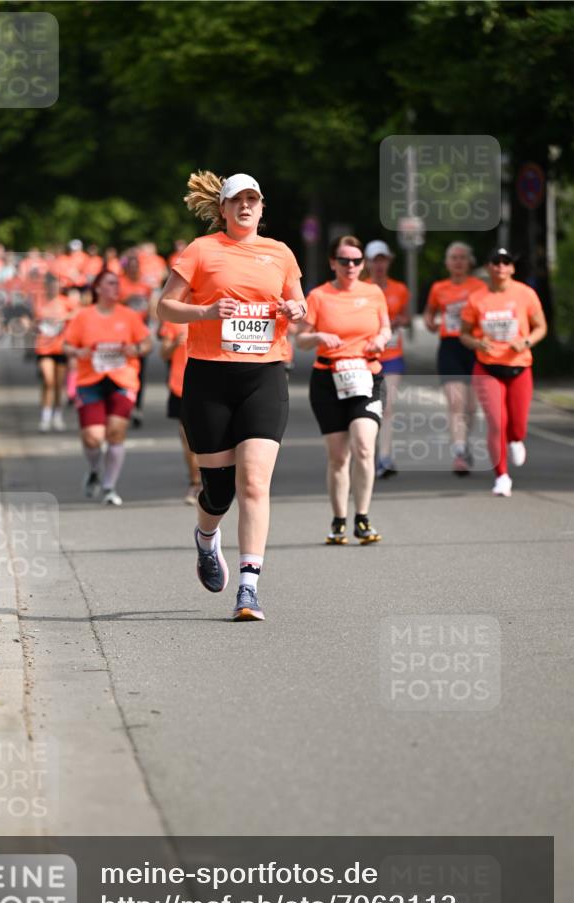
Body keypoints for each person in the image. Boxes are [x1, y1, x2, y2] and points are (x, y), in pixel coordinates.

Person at [157, 171, 306, 621]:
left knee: (256, 482)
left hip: (264, 377)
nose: (245, 206)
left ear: (262, 208)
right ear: (222, 209)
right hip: (209, 379)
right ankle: (206, 538)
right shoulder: (202, 251)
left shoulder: (280, 253)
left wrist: (296, 308)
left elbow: (299, 302)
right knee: (218, 493)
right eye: (236, 200)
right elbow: (164, 306)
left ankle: (249, 588)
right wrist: (205, 310)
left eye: (252, 199)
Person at [296, 236, 390, 545]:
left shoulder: (373, 292)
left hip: (367, 376)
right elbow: (301, 340)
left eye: (357, 261)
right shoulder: (319, 296)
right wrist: (320, 335)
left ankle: (362, 518)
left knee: (363, 446)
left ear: (363, 264)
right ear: (333, 263)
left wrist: (381, 340)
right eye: (345, 260)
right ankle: (338, 520)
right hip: (328, 378)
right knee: (338, 456)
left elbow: (385, 328)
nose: (351, 266)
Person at [459, 248, 547, 497]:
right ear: (488, 267)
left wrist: (527, 342)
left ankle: (516, 439)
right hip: (487, 368)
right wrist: (476, 343)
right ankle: (502, 476)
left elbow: (541, 327)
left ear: (512, 268)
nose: (500, 267)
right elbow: (464, 334)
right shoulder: (477, 298)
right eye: (495, 262)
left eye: (505, 262)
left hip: (519, 366)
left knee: (517, 425)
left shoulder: (525, 294)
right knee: (497, 422)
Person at [64, 270, 153, 506]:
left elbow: (146, 342)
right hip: (89, 380)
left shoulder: (129, 315)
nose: (117, 288)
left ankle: (109, 487)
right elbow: (67, 345)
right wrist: (77, 352)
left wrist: (137, 350)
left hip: (122, 379)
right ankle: (94, 469)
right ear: (98, 288)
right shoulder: (83, 317)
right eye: (111, 283)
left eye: (118, 284)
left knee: (115, 432)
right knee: (93, 438)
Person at [424, 243, 487, 475]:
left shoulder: (480, 286)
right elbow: (429, 313)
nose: (458, 262)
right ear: (447, 262)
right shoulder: (439, 288)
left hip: (473, 347)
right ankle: (459, 451)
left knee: (471, 407)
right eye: (453, 258)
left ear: (469, 262)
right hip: (450, 347)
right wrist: (430, 322)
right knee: (456, 402)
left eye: (462, 257)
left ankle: (464, 441)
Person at [364, 240, 410, 478]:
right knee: (366, 409)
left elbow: (406, 317)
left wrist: (400, 321)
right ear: (368, 263)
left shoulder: (400, 289)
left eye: (383, 259)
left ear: (389, 261)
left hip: (392, 355)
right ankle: (365, 456)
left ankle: (385, 457)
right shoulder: (361, 289)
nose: (379, 264)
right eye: (375, 260)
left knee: (387, 406)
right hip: (366, 357)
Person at [159, 320, 201, 504]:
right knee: (188, 438)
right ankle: (195, 482)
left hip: (212, 385)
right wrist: (175, 343)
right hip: (181, 387)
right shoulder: (175, 319)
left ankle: (214, 480)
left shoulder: (218, 311)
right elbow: (163, 354)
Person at [119, 250, 156, 427]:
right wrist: (126, 301)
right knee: (124, 370)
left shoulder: (145, 286)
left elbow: (150, 306)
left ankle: (137, 407)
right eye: (131, 268)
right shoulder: (119, 284)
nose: (134, 270)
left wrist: (152, 324)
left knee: (140, 372)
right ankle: (124, 404)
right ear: (126, 269)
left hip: (140, 333)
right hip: (123, 333)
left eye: (136, 267)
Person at [33, 274, 74, 432]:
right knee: (48, 381)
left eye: (56, 286)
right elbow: (32, 321)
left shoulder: (65, 302)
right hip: (44, 347)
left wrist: (65, 317)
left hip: (61, 347)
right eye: (51, 286)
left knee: (58, 384)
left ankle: (57, 415)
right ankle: (45, 417)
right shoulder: (39, 302)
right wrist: (34, 325)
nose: (53, 289)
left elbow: (78, 313)